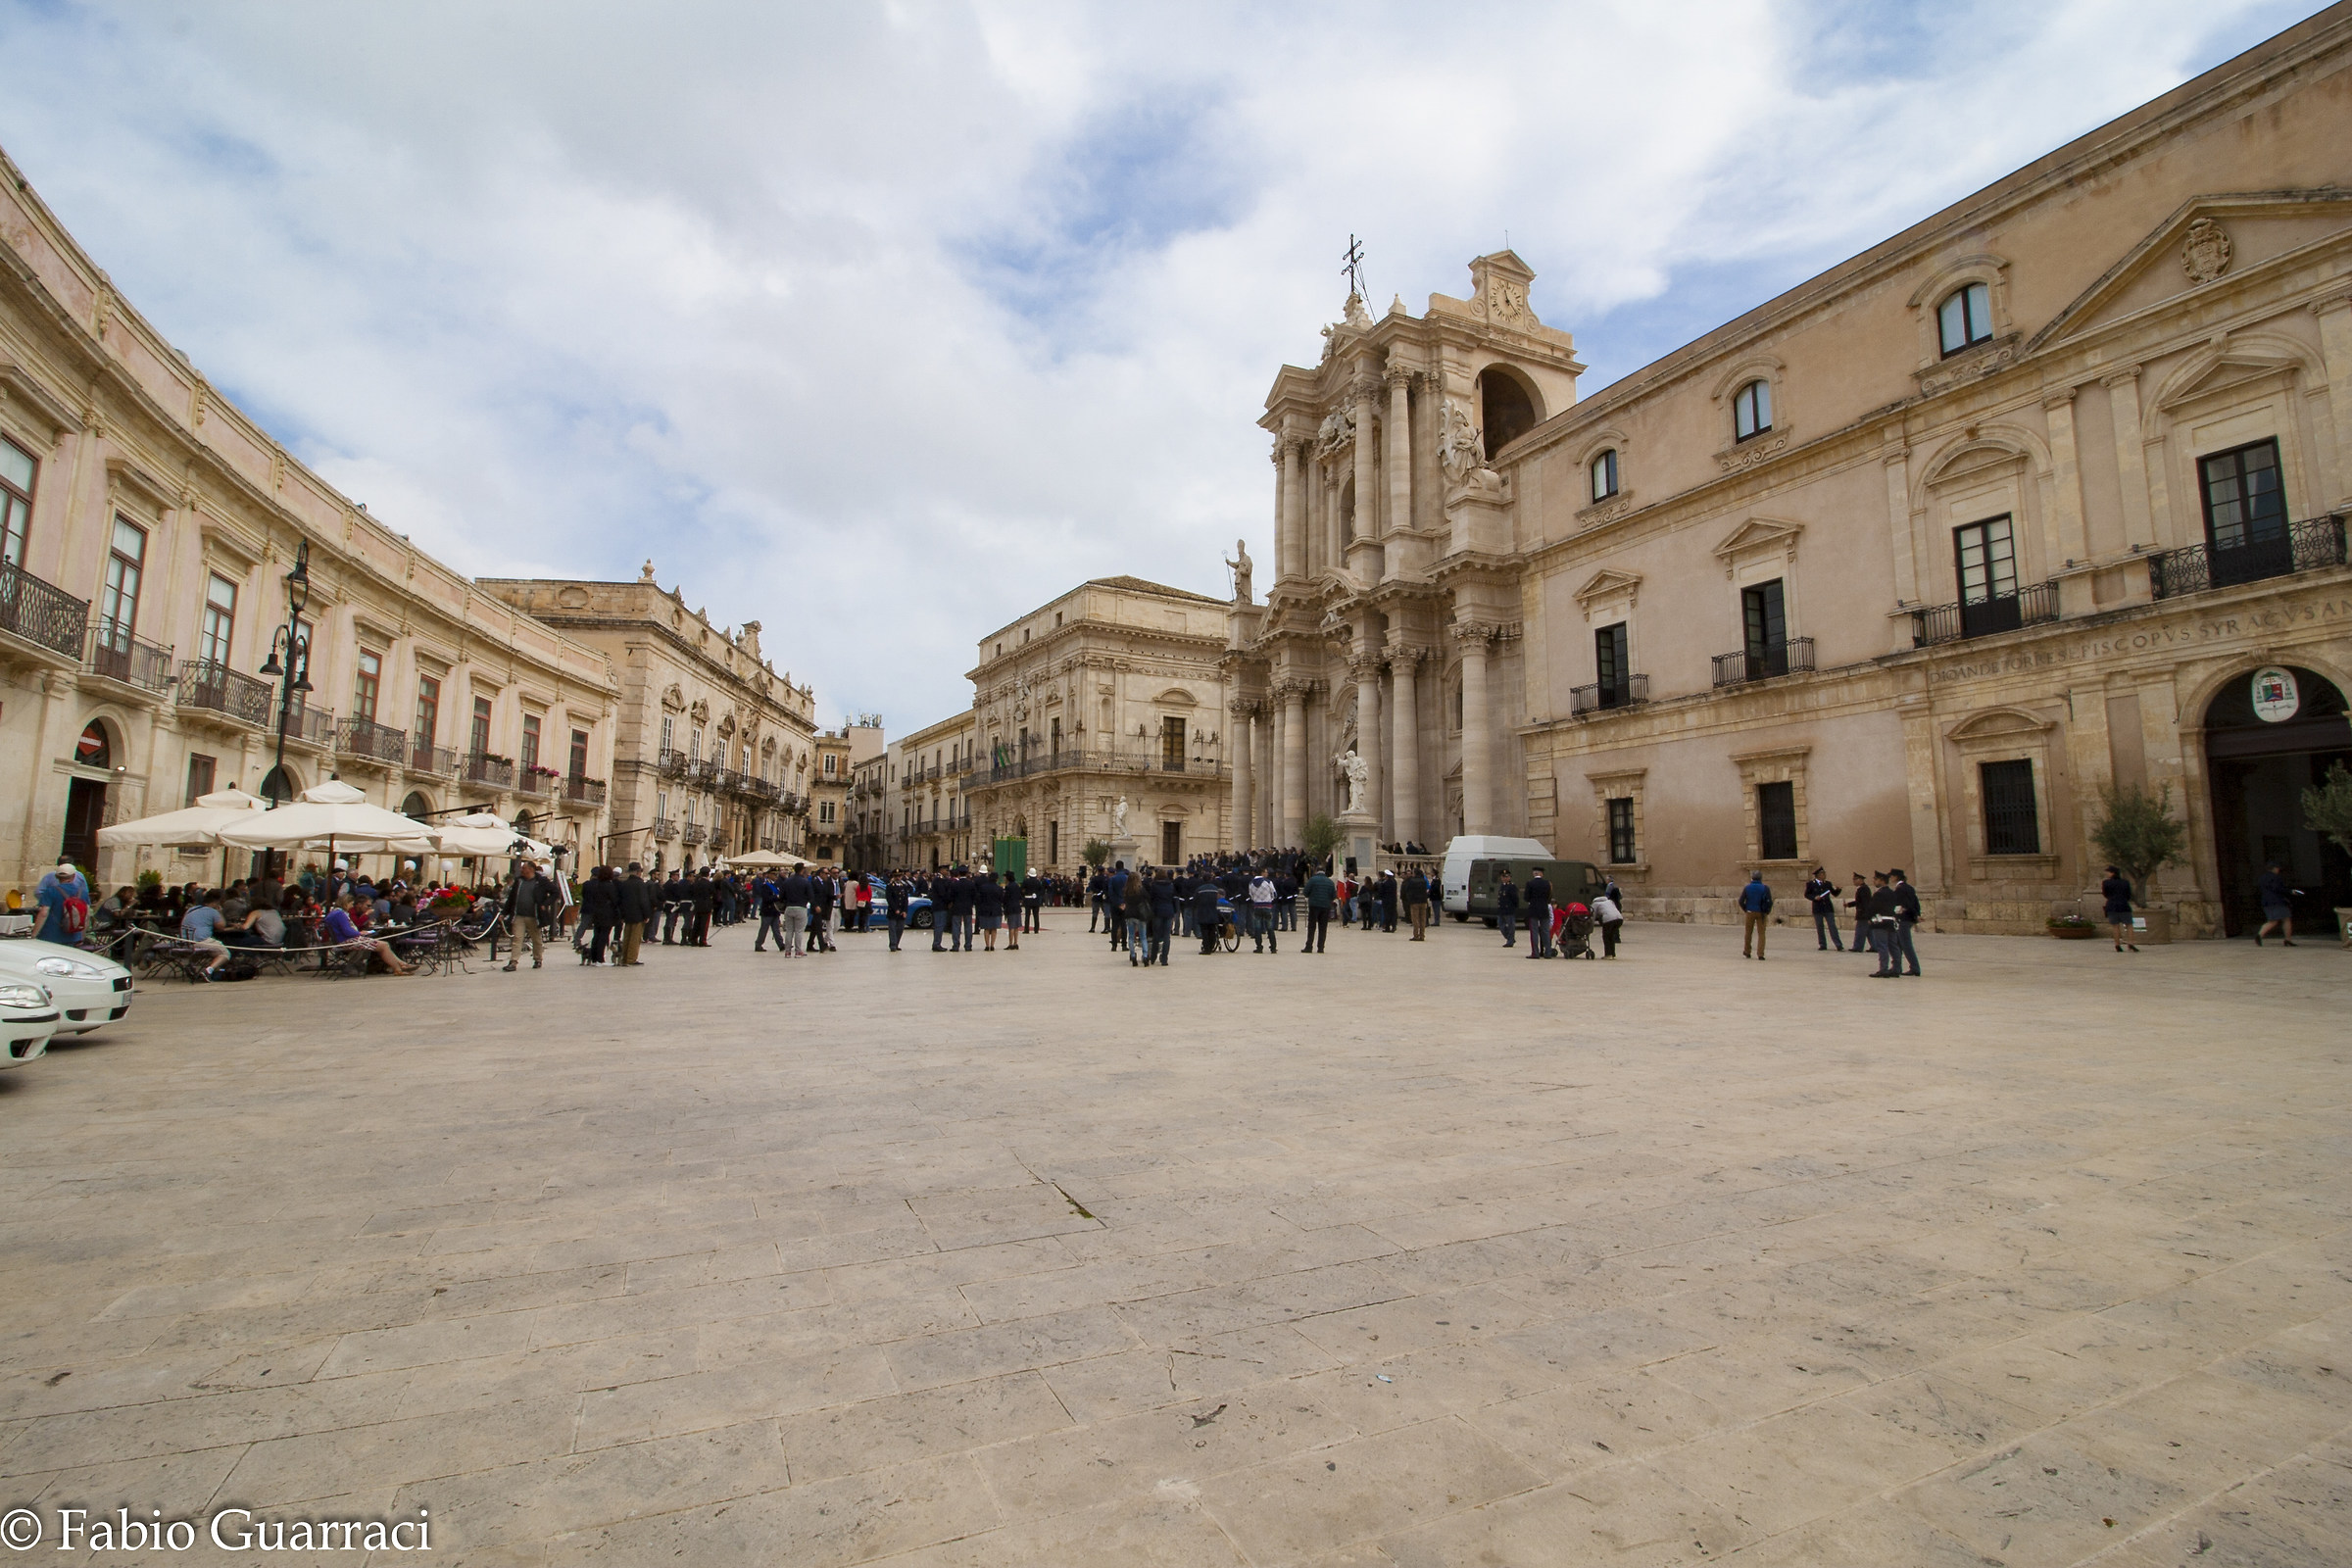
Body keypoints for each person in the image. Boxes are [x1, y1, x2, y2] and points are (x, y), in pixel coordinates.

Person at [324, 893, 415, 975]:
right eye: (351, 904)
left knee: (384, 945)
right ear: (345, 903)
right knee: (384, 945)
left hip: (343, 941)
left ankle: (401, 965)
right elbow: (347, 931)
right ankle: (398, 968)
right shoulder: (340, 914)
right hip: (348, 941)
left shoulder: (334, 913)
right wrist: (360, 933)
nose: (351, 906)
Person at [503, 860, 560, 970]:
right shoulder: (519, 881)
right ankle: (513, 962)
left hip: (534, 916)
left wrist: (545, 903)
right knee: (517, 938)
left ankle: (538, 959)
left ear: (531, 869)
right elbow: (511, 898)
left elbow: (555, 892)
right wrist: (504, 912)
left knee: (536, 938)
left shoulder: (541, 881)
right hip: (519, 915)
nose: (522, 870)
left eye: (524, 868)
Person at [177, 890, 235, 979]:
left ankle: (191, 965)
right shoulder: (213, 912)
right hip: (201, 940)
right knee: (225, 954)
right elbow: (221, 926)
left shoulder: (191, 909)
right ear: (216, 903)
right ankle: (209, 970)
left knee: (200, 950)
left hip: (185, 941)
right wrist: (220, 912)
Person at [33, 858, 90, 947]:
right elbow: (87, 915)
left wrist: (34, 934)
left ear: (57, 877)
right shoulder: (83, 893)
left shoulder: (50, 891)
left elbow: (44, 913)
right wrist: (81, 936)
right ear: (74, 876)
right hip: (73, 936)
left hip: (51, 934)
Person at [580, 864, 619, 965]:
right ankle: (600, 959)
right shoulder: (609, 886)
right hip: (607, 913)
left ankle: (594, 958)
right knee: (604, 935)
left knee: (596, 935)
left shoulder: (596, 885)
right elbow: (615, 900)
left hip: (596, 912)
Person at [2254, 861, 2301, 947]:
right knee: (2284, 919)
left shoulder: (2262, 878)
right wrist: (2290, 891)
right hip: (2277, 901)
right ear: (2274, 868)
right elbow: (2278, 888)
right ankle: (2287, 939)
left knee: (2272, 920)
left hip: (2266, 901)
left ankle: (2260, 935)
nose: (2278, 869)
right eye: (2277, 868)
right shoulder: (2276, 877)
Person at [1866, 872, 1902, 977]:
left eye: (1875, 879)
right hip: (1891, 922)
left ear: (1881, 880)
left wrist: (1869, 917)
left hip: (1880, 923)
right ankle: (1897, 968)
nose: (1874, 881)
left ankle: (1883, 969)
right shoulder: (1892, 893)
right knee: (1893, 946)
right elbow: (1897, 908)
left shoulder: (1879, 894)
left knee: (1882, 946)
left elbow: (1872, 908)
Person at [616, 863, 653, 965]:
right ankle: (631, 958)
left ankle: (624, 957)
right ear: (638, 872)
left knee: (627, 937)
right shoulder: (640, 884)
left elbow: (620, 900)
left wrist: (622, 914)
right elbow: (643, 901)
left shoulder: (625, 884)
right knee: (635, 938)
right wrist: (646, 915)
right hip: (638, 914)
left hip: (627, 914)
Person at [1890, 868, 1923, 976]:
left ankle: (1914, 967)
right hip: (1909, 918)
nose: (1890, 878)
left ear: (1896, 877)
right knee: (1899, 943)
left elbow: (1904, 905)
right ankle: (1896, 967)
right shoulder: (1909, 887)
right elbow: (1915, 902)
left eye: (1892, 876)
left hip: (1903, 919)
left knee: (1905, 944)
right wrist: (1916, 915)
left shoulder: (1900, 889)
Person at [2100, 864, 2139, 953]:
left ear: (2113, 873)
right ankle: (2131, 943)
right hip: (2124, 905)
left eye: (2108, 872)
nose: (2107, 874)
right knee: (2129, 925)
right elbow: (2128, 894)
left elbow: (2105, 894)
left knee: (2115, 926)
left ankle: (2117, 944)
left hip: (2112, 905)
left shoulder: (2106, 883)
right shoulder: (2125, 882)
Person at [1803, 867, 1842, 952]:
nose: (1824, 875)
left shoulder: (1828, 884)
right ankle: (1822, 944)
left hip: (1828, 908)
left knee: (1832, 926)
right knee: (1820, 927)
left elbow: (1834, 893)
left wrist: (1838, 890)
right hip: (1818, 908)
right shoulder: (1811, 884)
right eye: (1822, 874)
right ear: (1818, 875)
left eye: (1824, 873)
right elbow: (1807, 894)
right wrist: (1814, 897)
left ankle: (1838, 944)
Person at [1737, 871, 1774, 959]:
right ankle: (1760, 954)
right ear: (1761, 878)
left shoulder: (1747, 888)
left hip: (1750, 911)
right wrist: (1767, 911)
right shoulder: (1765, 888)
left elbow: (1741, 901)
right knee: (1761, 933)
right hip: (1761, 912)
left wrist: (1746, 909)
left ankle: (1747, 951)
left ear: (1752, 878)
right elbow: (1769, 901)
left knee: (1748, 932)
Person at [1147, 866, 1176, 966]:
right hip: (1169, 911)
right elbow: (1173, 898)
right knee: (1167, 936)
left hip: (1157, 911)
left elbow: (1151, 899)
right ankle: (1164, 958)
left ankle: (1153, 956)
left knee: (1156, 935)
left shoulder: (1154, 885)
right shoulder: (1171, 885)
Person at [1303, 863, 1335, 954]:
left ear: (1316, 871)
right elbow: (1333, 895)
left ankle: (1309, 946)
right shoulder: (1330, 882)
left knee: (1312, 927)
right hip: (1325, 906)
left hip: (1314, 905)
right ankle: (1321, 947)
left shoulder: (1312, 880)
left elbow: (1305, 892)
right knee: (1323, 927)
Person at [1123, 866, 1151, 966]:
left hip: (1130, 914)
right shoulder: (1141, 890)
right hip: (1140, 914)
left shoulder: (1126, 890)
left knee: (1131, 937)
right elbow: (1148, 898)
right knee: (1143, 937)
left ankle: (1133, 955)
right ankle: (1145, 955)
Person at [1524, 867, 1553, 958]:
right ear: (1541, 874)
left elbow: (1526, 897)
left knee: (1534, 932)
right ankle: (1548, 953)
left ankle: (1535, 953)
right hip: (1544, 909)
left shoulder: (1530, 883)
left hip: (1533, 910)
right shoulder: (1547, 883)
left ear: (1534, 874)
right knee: (1545, 932)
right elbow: (1549, 896)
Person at [974, 868, 1004, 952]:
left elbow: (979, 898)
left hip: (985, 909)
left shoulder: (983, 887)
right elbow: (1001, 899)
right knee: (994, 928)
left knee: (986, 928)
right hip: (996, 910)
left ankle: (987, 945)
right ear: (997, 879)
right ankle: (992, 945)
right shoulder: (999, 888)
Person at [1193, 877, 1224, 955]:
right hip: (1213, 912)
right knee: (1212, 930)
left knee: (1204, 931)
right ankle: (1211, 946)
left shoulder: (1199, 889)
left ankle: (1206, 949)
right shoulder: (1216, 889)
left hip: (1203, 912)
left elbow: (1195, 901)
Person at [1592, 887, 1624, 957]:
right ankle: (1612, 953)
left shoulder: (1595, 904)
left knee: (1606, 936)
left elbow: (1593, 916)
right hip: (1619, 919)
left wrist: (1590, 925)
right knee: (1611, 936)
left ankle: (1608, 954)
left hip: (1609, 920)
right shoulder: (1610, 901)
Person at [1846, 872, 1873, 958]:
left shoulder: (1863, 889)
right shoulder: (1862, 888)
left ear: (1860, 880)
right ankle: (1875, 946)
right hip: (1864, 913)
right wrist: (1849, 904)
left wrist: (1866, 913)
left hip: (1863, 914)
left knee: (1860, 931)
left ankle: (1858, 946)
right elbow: (1859, 901)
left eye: (1855, 879)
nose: (1854, 881)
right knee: (1869, 931)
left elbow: (1865, 902)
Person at [1402, 867, 1431, 941]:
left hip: (1414, 902)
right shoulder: (1423, 881)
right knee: (1422, 919)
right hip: (1423, 901)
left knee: (1415, 919)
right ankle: (1422, 935)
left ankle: (1416, 935)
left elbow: (1407, 890)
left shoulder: (1411, 881)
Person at [885, 873, 909, 953]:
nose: (898, 878)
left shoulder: (904, 886)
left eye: (899, 876)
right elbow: (889, 899)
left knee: (900, 929)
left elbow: (905, 899)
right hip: (893, 911)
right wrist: (895, 909)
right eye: (896, 876)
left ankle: (896, 944)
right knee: (892, 929)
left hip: (902, 911)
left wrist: (905, 911)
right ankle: (893, 945)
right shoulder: (890, 886)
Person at [1496, 869, 1520, 949]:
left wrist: (1514, 907)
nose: (1505, 878)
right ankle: (1510, 938)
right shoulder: (1502, 886)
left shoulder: (1512, 886)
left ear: (1510, 877)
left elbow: (1515, 898)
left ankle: (1510, 941)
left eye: (1507, 877)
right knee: (1501, 924)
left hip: (1509, 909)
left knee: (1510, 926)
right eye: (1503, 877)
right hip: (1502, 909)